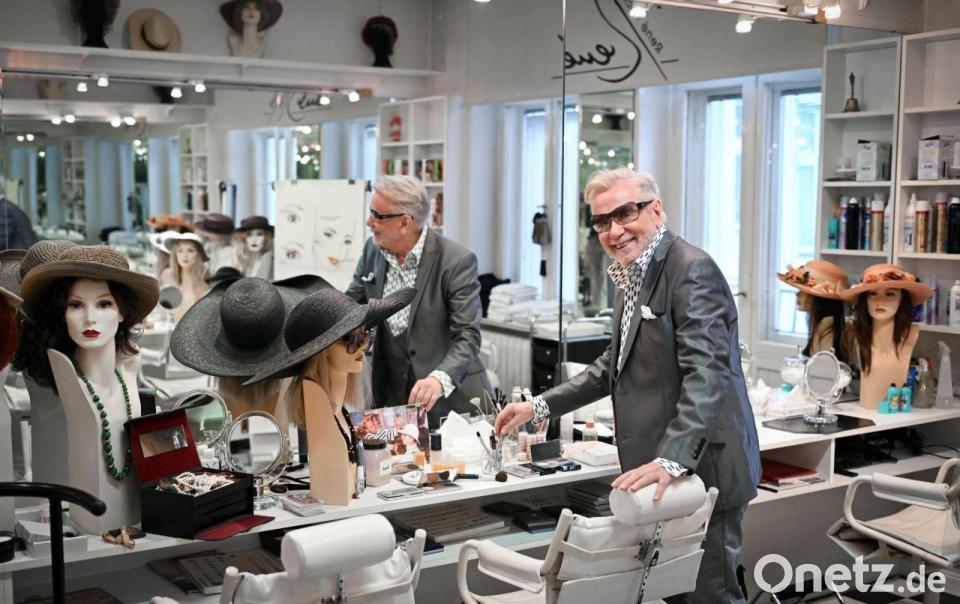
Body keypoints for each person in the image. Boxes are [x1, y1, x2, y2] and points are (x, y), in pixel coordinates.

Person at [495, 169, 760, 603]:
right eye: (602, 221)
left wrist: (672, 459)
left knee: (709, 595)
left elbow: (707, 374)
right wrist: (538, 407)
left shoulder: (691, 269)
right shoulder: (631, 273)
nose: (614, 231)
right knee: (674, 592)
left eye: (625, 214)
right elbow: (611, 366)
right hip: (662, 471)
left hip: (703, 466)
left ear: (656, 210)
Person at [243, 287, 414, 505]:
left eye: (366, 336)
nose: (363, 347)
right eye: (352, 339)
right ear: (322, 351)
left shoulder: (341, 414)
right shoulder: (325, 419)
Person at [346, 175, 490, 427]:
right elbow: (352, 304)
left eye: (378, 215)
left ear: (405, 222)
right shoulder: (372, 250)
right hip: (392, 399)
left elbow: (467, 335)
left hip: (450, 405)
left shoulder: (456, 262)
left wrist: (439, 379)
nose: (369, 222)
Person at [839, 264, 931, 410]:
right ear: (865, 299)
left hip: (897, 416)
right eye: (873, 294)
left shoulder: (911, 334)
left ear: (902, 299)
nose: (880, 301)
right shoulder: (856, 335)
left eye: (890, 294)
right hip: (867, 412)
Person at [777, 260, 850, 361]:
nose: (797, 294)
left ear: (821, 299)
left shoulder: (827, 328)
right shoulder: (823, 326)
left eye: (804, 290)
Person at [160, 233, 209, 321]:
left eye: (191, 250)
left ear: (199, 254)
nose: (184, 255)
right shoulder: (167, 278)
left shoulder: (206, 284)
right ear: (175, 254)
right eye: (180, 250)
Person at [0, 185, 39, 251]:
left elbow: (2, 237)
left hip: (21, 254)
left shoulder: (3, 209)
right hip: (24, 251)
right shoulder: (6, 206)